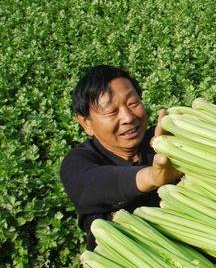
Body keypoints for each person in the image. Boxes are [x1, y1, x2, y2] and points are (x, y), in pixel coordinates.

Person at [60, 65, 182, 249]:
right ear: (86, 123)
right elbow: (96, 184)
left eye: (133, 103)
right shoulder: (78, 163)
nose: (127, 117)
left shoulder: (163, 140)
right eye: (111, 112)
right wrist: (153, 176)